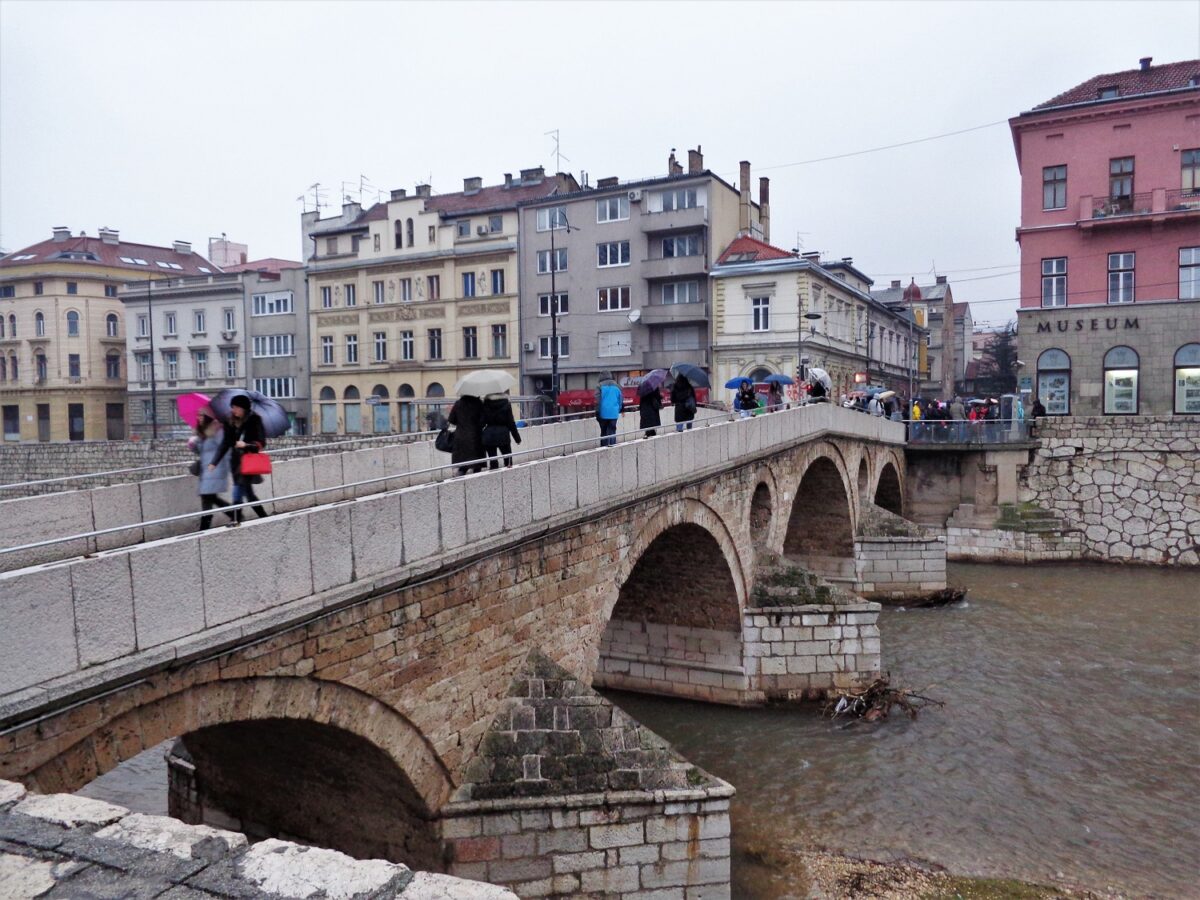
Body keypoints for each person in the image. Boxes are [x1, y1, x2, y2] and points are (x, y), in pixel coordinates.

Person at [210, 394, 270, 523]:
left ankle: (236, 519)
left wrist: (246, 445)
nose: (234, 410)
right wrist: (214, 462)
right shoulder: (229, 421)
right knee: (249, 494)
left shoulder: (254, 420)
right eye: (233, 407)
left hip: (248, 461)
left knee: (237, 489)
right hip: (235, 462)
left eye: (237, 407)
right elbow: (225, 443)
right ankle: (265, 518)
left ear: (244, 408)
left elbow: (261, 443)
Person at [190, 406, 235, 530]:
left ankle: (205, 527)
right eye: (198, 415)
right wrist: (194, 444)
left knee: (208, 497)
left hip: (215, 470)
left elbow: (225, 449)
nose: (198, 418)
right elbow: (202, 452)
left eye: (201, 415)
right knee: (209, 498)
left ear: (208, 417)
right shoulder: (202, 433)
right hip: (206, 471)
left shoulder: (217, 431)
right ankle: (233, 514)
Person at [481, 392, 522, 469]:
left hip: (489, 435)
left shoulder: (485, 404)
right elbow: (511, 423)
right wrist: (517, 439)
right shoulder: (506, 404)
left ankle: (494, 479)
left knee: (493, 463)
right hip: (503, 435)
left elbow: (482, 422)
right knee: (508, 462)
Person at [448, 394, 485, 475]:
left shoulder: (458, 403)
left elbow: (451, 419)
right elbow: (483, 420)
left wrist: (461, 423)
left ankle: (461, 476)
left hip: (461, 435)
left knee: (463, 464)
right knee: (477, 464)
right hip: (476, 436)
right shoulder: (479, 403)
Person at [595, 376, 623, 447]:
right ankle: (613, 446)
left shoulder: (599, 386)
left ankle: (604, 447)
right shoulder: (617, 386)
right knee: (612, 430)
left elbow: (597, 401)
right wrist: (618, 409)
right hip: (614, 413)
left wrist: (597, 412)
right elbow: (621, 400)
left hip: (603, 413)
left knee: (604, 431)